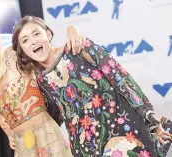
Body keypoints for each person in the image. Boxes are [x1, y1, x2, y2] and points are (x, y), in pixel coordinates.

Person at [12, 15, 171, 157]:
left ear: (47, 34)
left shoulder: (79, 48)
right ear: (23, 50)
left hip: (123, 134)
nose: (33, 41)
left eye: (36, 33)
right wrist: (17, 133)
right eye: (25, 40)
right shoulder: (42, 81)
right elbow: (50, 118)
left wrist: (152, 122)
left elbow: (121, 79)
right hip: (86, 148)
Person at [0, 18, 84, 156]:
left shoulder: (13, 54)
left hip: (49, 136)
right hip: (23, 146)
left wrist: (73, 29)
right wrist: (8, 131)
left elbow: (50, 52)